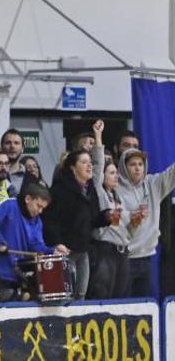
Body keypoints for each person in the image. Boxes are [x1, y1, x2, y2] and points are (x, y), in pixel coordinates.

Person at [42, 150, 109, 300]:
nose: (89, 165)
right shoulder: (59, 190)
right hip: (65, 250)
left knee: (81, 294)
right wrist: (57, 242)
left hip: (82, 249)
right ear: (73, 167)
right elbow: (49, 220)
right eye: (84, 162)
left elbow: (93, 220)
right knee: (66, 295)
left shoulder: (90, 189)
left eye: (90, 162)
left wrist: (107, 216)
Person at [0, 183, 69, 296]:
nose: (40, 211)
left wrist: (52, 250)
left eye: (43, 208)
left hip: (16, 274)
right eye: (38, 206)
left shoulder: (37, 221)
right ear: (28, 199)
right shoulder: (9, 205)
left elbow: (36, 245)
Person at [116, 146, 175, 297]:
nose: (137, 168)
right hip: (124, 259)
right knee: (124, 306)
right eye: (132, 164)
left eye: (140, 164)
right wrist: (133, 220)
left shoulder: (153, 184)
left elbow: (172, 173)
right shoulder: (115, 189)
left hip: (147, 258)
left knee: (144, 306)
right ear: (124, 166)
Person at [88, 120, 130, 299]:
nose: (116, 176)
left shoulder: (118, 196)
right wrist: (98, 137)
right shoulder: (99, 192)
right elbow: (97, 168)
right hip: (105, 251)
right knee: (103, 297)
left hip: (123, 251)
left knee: (120, 298)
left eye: (116, 173)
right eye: (112, 173)